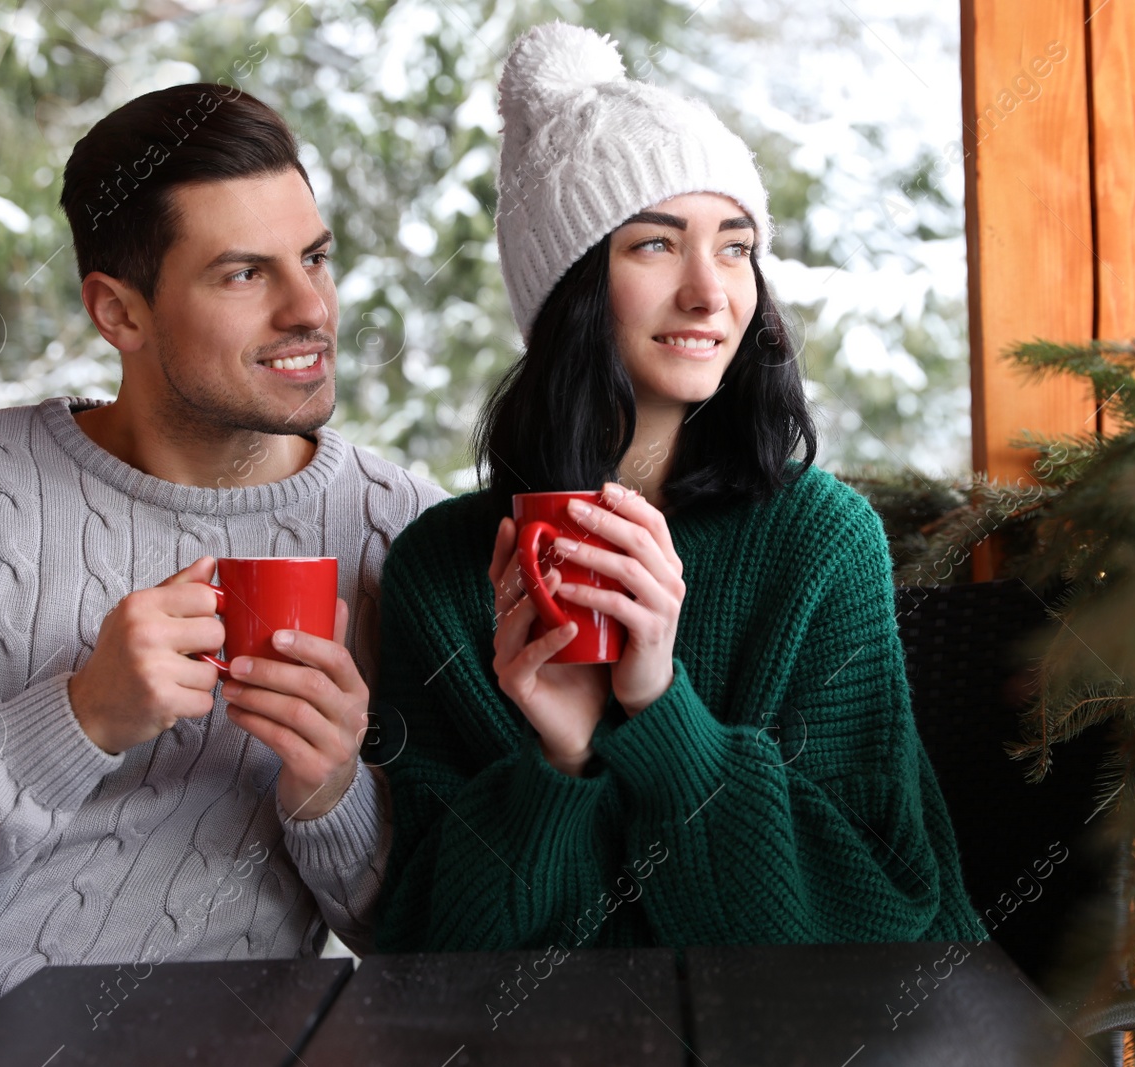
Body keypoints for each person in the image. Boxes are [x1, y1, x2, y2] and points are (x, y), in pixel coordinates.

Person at [0, 83, 445, 1066]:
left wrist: (330, 787)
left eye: (314, 257)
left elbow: (424, 943)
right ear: (117, 312)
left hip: (216, 1043)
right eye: (244, 273)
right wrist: (78, 719)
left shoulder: (399, 528)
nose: (310, 308)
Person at [372, 23, 984, 956]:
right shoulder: (444, 573)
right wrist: (561, 759)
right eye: (656, 247)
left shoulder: (822, 542)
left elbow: (870, 919)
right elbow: (428, 959)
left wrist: (661, 708)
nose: (710, 293)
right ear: (569, 289)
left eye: (735, 248)